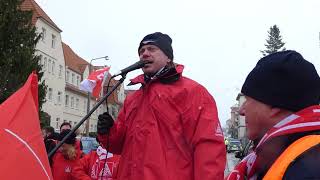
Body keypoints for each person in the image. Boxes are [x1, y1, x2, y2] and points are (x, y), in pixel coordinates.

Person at [97, 32, 226, 180]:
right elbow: (118, 147)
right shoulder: (133, 99)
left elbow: (209, 150)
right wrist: (108, 132)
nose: (144, 54)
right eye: (141, 51)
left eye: (151, 49)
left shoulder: (193, 93)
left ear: (168, 57)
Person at [226, 50, 320, 180]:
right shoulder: (277, 156)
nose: (241, 110)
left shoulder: (307, 170)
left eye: (248, 100)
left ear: (274, 105)